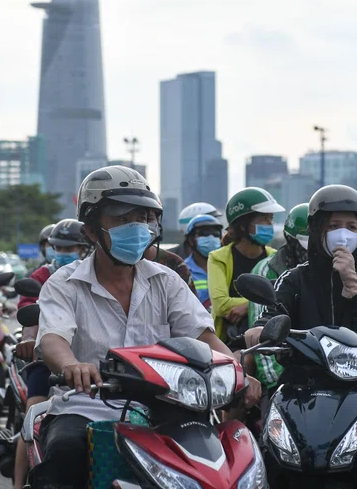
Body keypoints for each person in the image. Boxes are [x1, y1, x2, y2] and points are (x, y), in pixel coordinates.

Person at [31, 166, 261, 488]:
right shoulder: (64, 285)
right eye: (122, 219)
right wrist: (72, 365)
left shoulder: (167, 281)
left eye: (142, 218)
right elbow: (54, 337)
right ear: (92, 231)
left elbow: (203, 336)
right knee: (64, 455)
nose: (136, 228)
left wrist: (238, 372)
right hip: (88, 405)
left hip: (169, 405)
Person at [244, 185, 357, 488]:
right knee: (265, 462)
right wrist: (260, 331)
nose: (342, 234)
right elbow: (272, 315)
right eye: (333, 226)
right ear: (317, 230)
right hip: (302, 388)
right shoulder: (294, 278)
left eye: (350, 227)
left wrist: (355, 290)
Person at [13, 218, 90, 489]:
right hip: (49, 361)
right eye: (57, 247)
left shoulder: (95, 276)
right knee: (33, 412)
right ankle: (19, 482)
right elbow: (30, 316)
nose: (62, 252)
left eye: (70, 248)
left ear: (86, 248)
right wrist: (29, 339)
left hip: (95, 364)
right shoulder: (42, 277)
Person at [246, 203, 309, 389]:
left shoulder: (337, 272)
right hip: (283, 375)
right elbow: (263, 336)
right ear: (291, 240)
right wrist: (276, 383)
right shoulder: (267, 270)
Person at [208, 187, 284, 339]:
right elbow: (221, 305)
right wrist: (255, 304)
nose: (270, 224)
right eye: (264, 219)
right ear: (243, 225)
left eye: (271, 218)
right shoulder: (218, 258)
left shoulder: (275, 257)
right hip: (230, 341)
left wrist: (247, 307)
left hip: (269, 337)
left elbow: (284, 297)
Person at [182, 214, 224, 309]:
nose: (211, 238)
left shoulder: (227, 266)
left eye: (215, 234)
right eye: (204, 233)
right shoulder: (183, 270)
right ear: (191, 240)